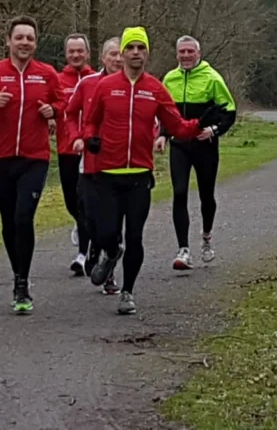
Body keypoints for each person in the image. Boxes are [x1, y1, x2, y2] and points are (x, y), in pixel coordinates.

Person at [82, 26, 228, 315]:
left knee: (135, 235)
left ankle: (128, 292)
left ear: (147, 54)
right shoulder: (105, 86)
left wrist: (200, 124)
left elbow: (177, 127)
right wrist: (90, 138)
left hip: (139, 174)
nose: (136, 53)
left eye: (141, 48)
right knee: (108, 233)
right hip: (107, 174)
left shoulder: (155, 89)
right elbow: (90, 121)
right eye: (131, 48)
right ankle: (111, 253)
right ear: (122, 53)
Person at [0, 15, 64, 314]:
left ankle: (22, 283)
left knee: (24, 218)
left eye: (30, 38)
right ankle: (17, 273)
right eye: (20, 37)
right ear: (9, 41)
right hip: (3, 158)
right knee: (9, 222)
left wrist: (53, 110)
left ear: (35, 43)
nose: (25, 42)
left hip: (35, 158)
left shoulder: (47, 74)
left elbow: (64, 106)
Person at [157, 35, 237, 270]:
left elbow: (229, 111)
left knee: (206, 195)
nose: (186, 56)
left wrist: (213, 130)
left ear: (199, 54)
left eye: (190, 51)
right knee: (179, 192)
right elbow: (165, 112)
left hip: (205, 145)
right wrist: (162, 134)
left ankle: (206, 237)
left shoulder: (212, 78)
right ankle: (183, 250)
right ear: (176, 54)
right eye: (182, 52)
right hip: (180, 144)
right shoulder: (169, 79)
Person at [63, 36, 123, 294]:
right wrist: (76, 137)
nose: (118, 59)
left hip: (121, 166)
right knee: (89, 215)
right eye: (112, 54)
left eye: (121, 54)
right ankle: (94, 246)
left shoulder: (135, 85)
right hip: (90, 164)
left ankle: (109, 274)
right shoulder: (88, 84)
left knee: (114, 221)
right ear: (102, 58)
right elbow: (70, 113)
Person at [53, 34, 96, 259]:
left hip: (91, 151)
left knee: (85, 201)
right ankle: (81, 226)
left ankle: (83, 254)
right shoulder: (58, 80)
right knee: (72, 201)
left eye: (80, 51)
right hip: (66, 149)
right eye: (72, 51)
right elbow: (51, 105)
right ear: (66, 54)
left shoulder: (97, 79)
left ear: (88, 53)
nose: (76, 55)